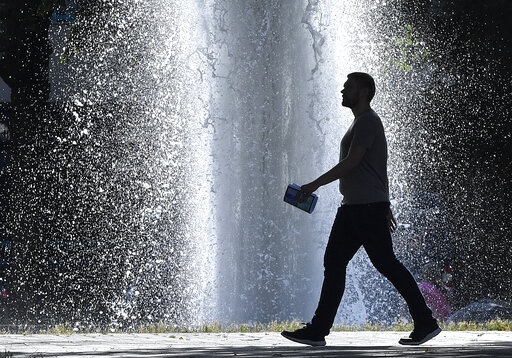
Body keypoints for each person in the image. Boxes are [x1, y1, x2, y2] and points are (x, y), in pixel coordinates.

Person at [281, 72, 441, 346]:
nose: (342, 91)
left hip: (365, 208)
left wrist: (315, 184)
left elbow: (353, 162)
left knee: (385, 263)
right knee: (335, 262)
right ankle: (318, 330)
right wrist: (386, 202)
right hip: (355, 207)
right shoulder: (359, 123)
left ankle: (425, 322)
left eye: (349, 87)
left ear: (364, 91)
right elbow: (380, 167)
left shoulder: (368, 121)